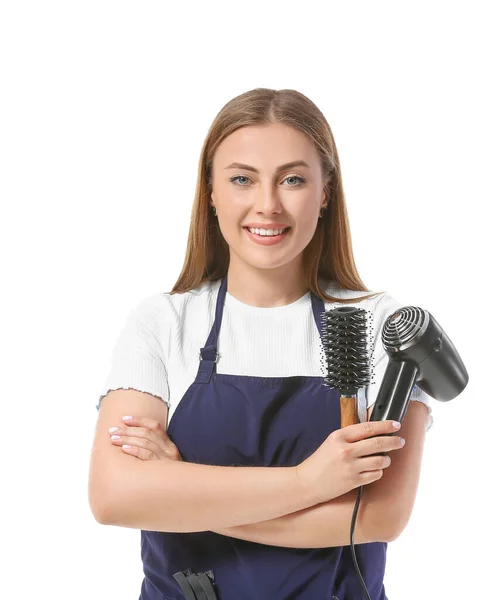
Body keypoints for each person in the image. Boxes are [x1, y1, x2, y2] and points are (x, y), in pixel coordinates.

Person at [89, 87, 433, 600]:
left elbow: (381, 515)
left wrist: (180, 489)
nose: (267, 205)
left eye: (293, 179)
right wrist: (309, 484)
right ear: (210, 191)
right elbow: (114, 497)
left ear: (325, 191)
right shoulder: (163, 323)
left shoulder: (379, 325)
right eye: (242, 179)